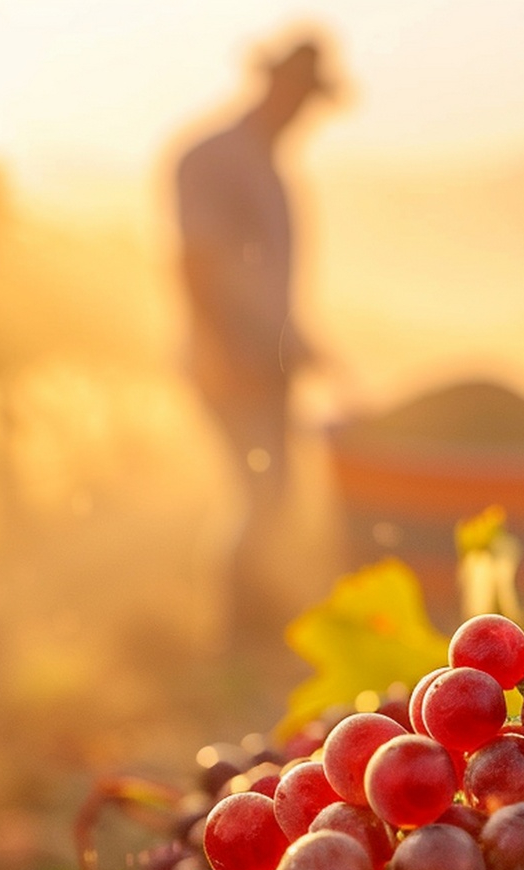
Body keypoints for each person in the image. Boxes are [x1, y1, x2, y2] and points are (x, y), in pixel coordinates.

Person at [174, 37, 335, 635]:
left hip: (268, 357)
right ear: (273, 85)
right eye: (296, 93)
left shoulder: (269, 167)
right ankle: (235, 627)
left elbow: (262, 280)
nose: (301, 109)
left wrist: (304, 343)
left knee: (276, 489)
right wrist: (218, 350)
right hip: (231, 356)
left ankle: (258, 616)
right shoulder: (213, 157)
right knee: (260, 488)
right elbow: (196, 259)